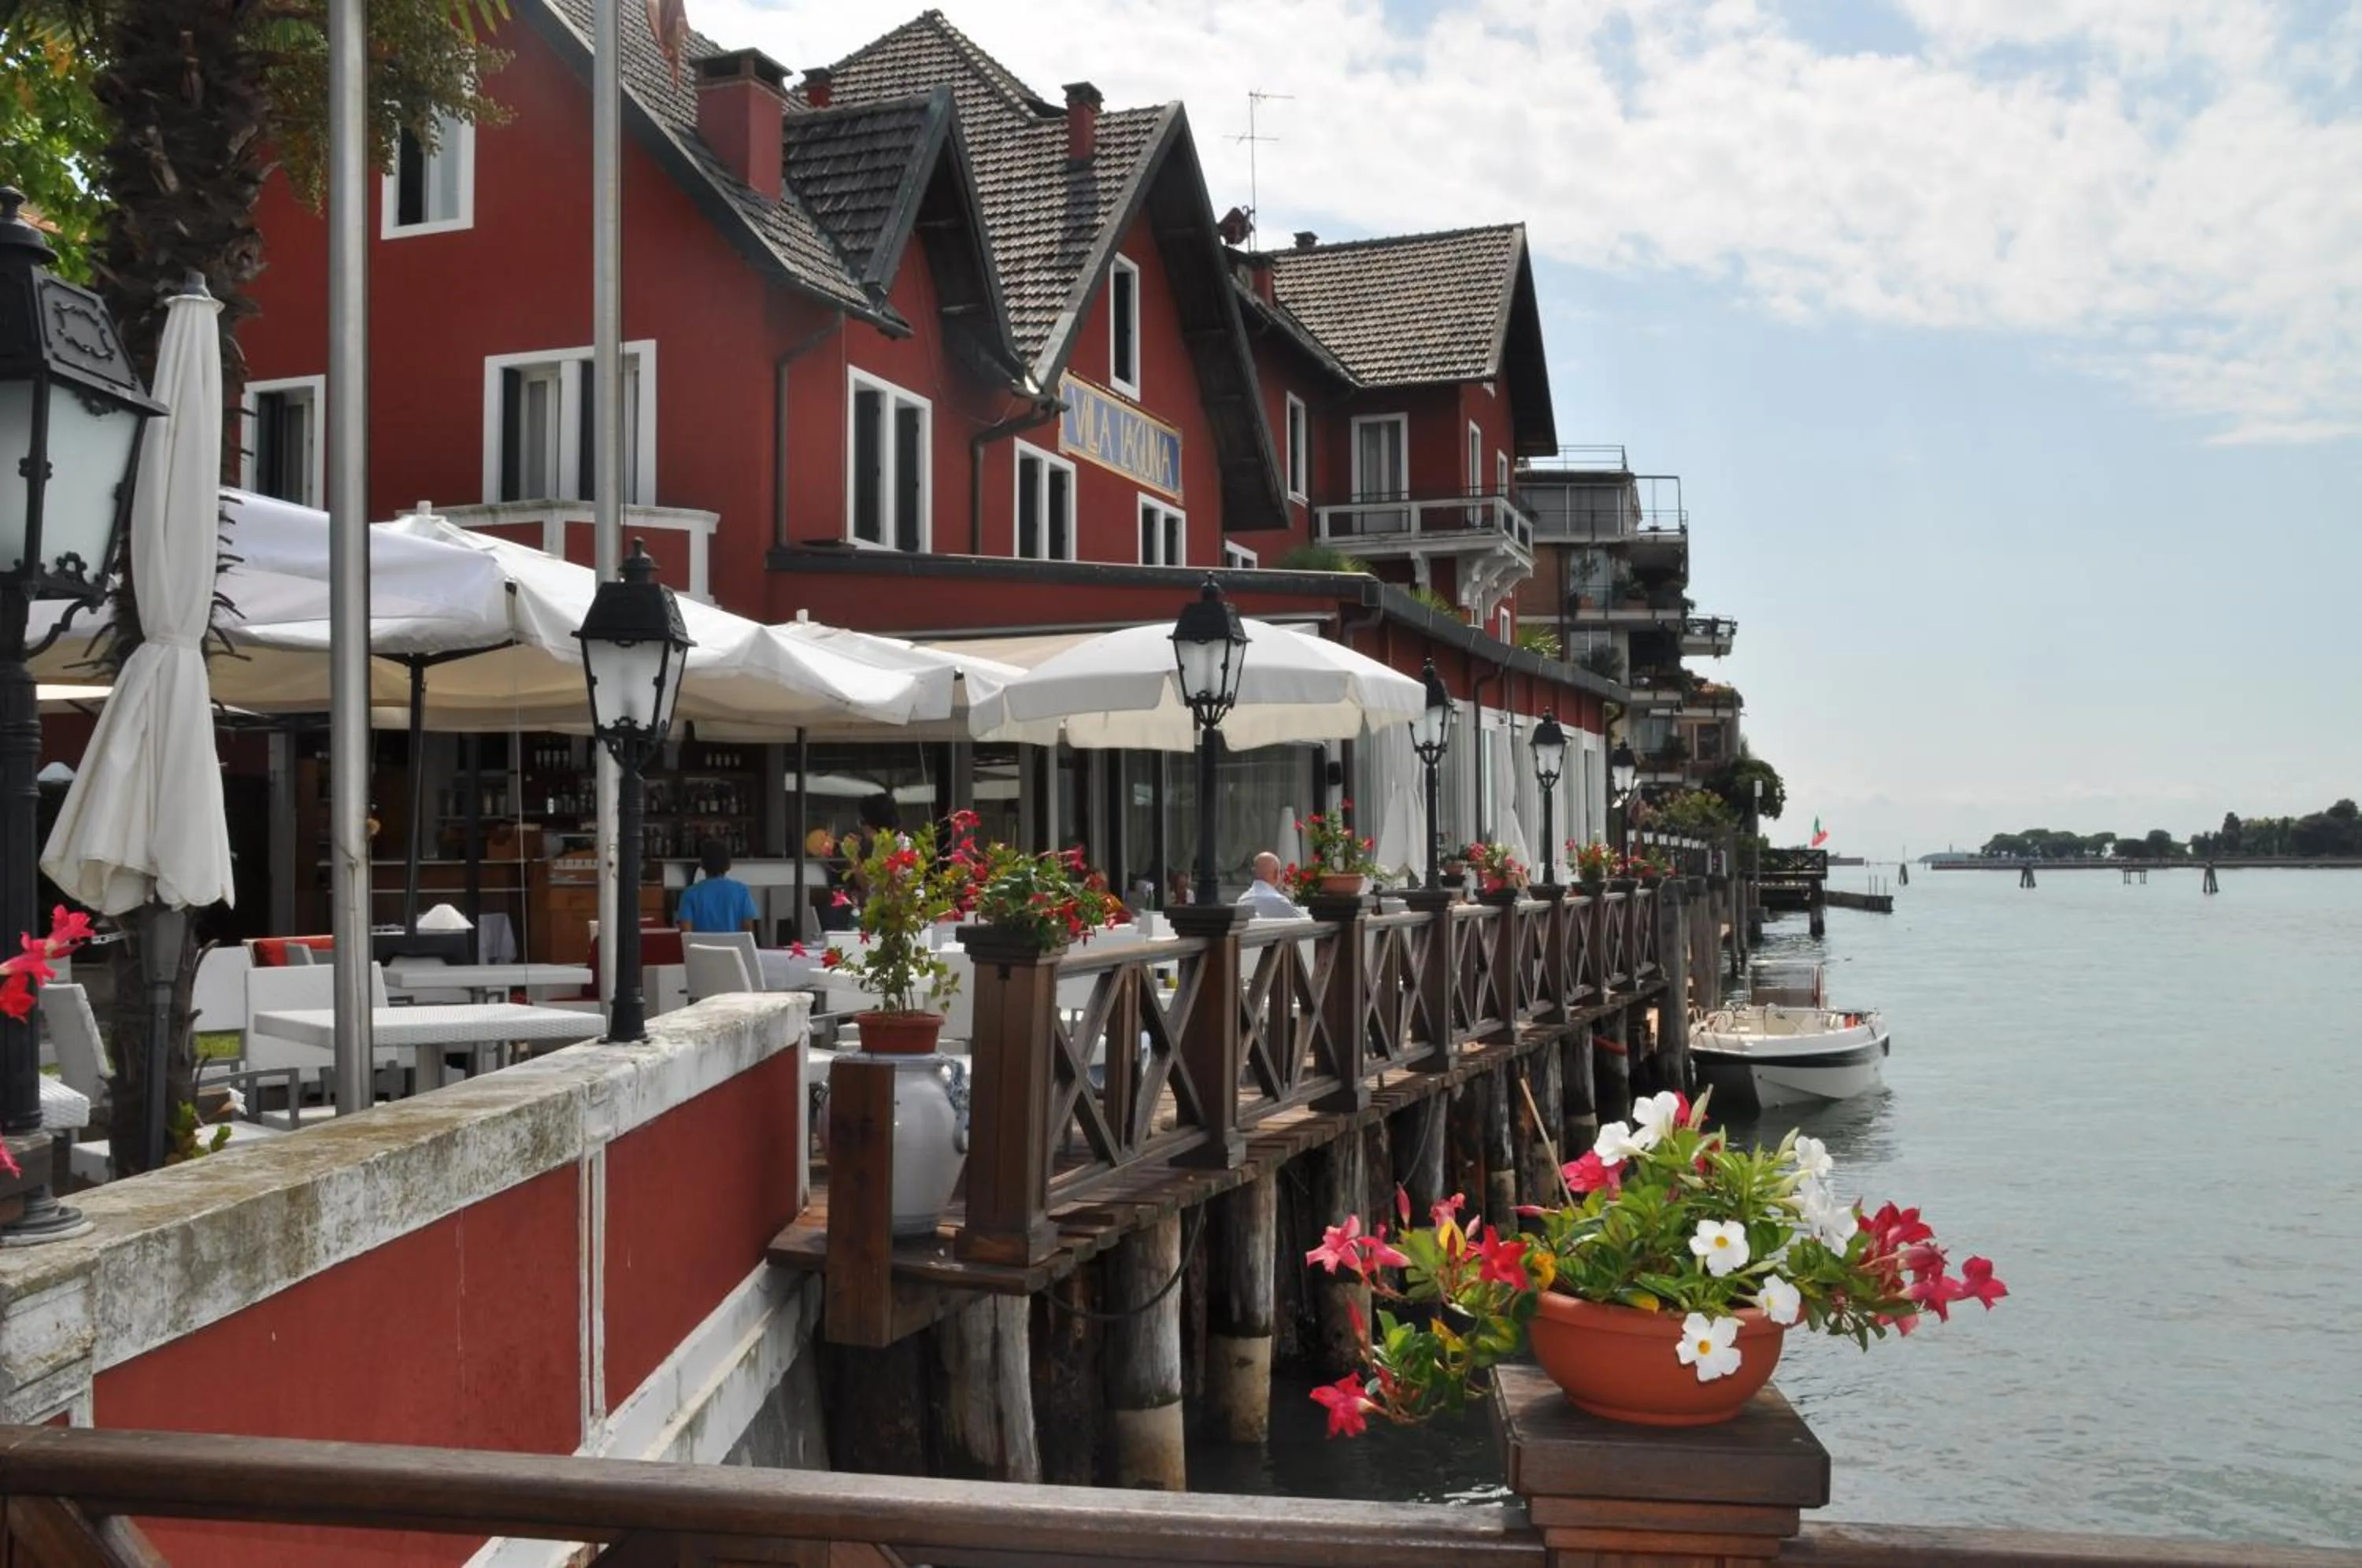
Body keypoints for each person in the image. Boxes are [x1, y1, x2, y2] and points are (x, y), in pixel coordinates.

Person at [676, 838, 759, 934]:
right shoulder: (742, 891)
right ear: (728, 866)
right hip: (733, 948)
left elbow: (686, 934)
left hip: (700, 948)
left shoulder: (689, 894)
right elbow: (748, 931)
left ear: (702, 865)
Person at [1237, 851, 1304, 918]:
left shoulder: (1242, 900)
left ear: (1253, 873)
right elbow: (1305, 923)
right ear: (1277, 874)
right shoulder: (1279, 901)